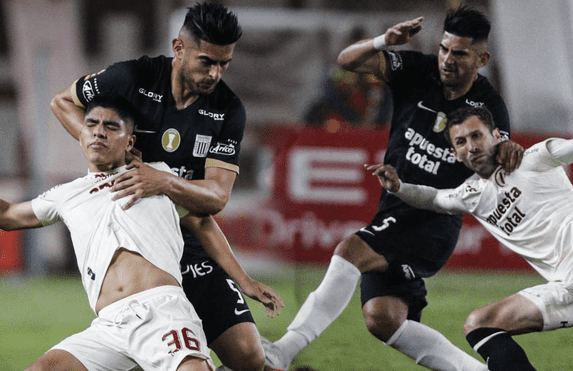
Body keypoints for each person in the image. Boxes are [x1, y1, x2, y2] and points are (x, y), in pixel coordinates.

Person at [261, 6, 522, 371]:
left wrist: (505, 151)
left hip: (433, 222)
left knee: (350, 250)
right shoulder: (419, 70)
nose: (447, 60)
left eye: (460, 53)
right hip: (394, 211)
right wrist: (384, 40)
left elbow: (498, 161)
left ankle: (281, 354)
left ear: (482, 58)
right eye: (444, 48)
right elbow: (346, 61)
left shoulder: (489, 106)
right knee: (383, 318)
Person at [50, 3, 279, 371]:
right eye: (207, 61)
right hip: (142, 244)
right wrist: (108, 150)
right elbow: (61, 101)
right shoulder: (133, 77)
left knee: (249, 357)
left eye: (224, 64)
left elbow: (217, 198)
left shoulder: (227, 109)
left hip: (190, 238)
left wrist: (164, 181)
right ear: (178, 49)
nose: (215, 73)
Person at [368, 63, 573, 371]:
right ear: (456, 153)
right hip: (567, 286)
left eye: (477, 136)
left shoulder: (535, 158)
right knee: (479, 324)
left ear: (496, 134)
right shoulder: (469, 195)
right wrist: (399, 187)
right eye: (461, 142)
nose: (471, 147)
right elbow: (433, 199)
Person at [12, 96, 214, 371]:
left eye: (110, 126)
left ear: (130, 142)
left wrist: (244, 281)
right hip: (109, 325)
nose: (98, 131)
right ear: (81, 134)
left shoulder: (157, 174)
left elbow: (206, 217)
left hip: (162, 311)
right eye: (91, 124)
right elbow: (8, 215)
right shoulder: (66, 194)